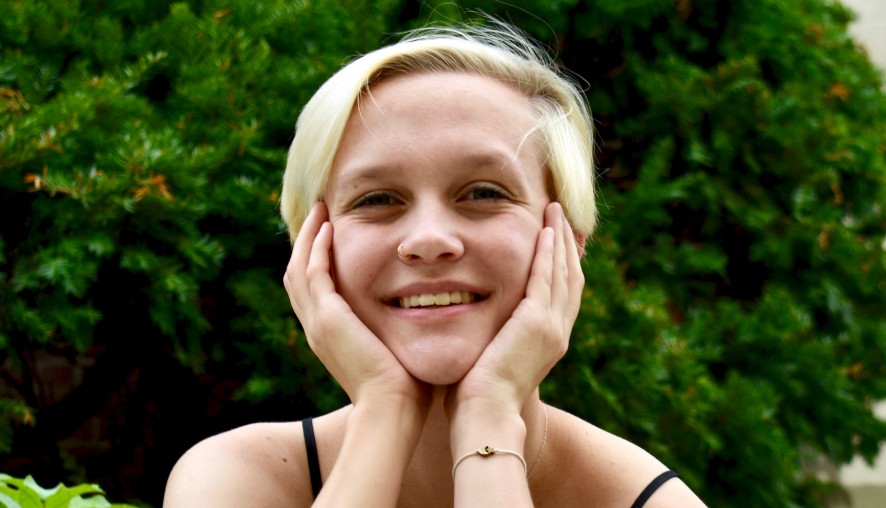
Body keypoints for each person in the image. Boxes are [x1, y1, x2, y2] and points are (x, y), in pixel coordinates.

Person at [164, 20, 707, 508]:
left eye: (484, 192)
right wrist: (384, 410)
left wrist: (489, 414)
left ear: (570, 242)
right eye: (377, 199)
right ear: (312, 248)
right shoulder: (234, 479)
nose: (428, 241)